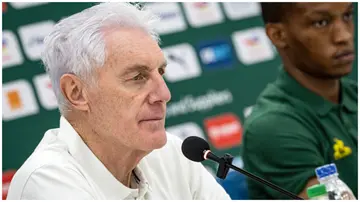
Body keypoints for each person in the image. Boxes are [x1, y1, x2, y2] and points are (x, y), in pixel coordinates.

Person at [6, 3, 230, 200]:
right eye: (138, 77)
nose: (164, 94)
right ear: (77, 93)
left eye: (160, 72)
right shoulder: (46, 182)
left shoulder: (171, 153)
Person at [241, 2, 357, 199]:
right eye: (321, 22)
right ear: (278, 35)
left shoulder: (354, 93)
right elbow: (327, 196)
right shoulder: (271, 127)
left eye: (347, 16)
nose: (344, 36)